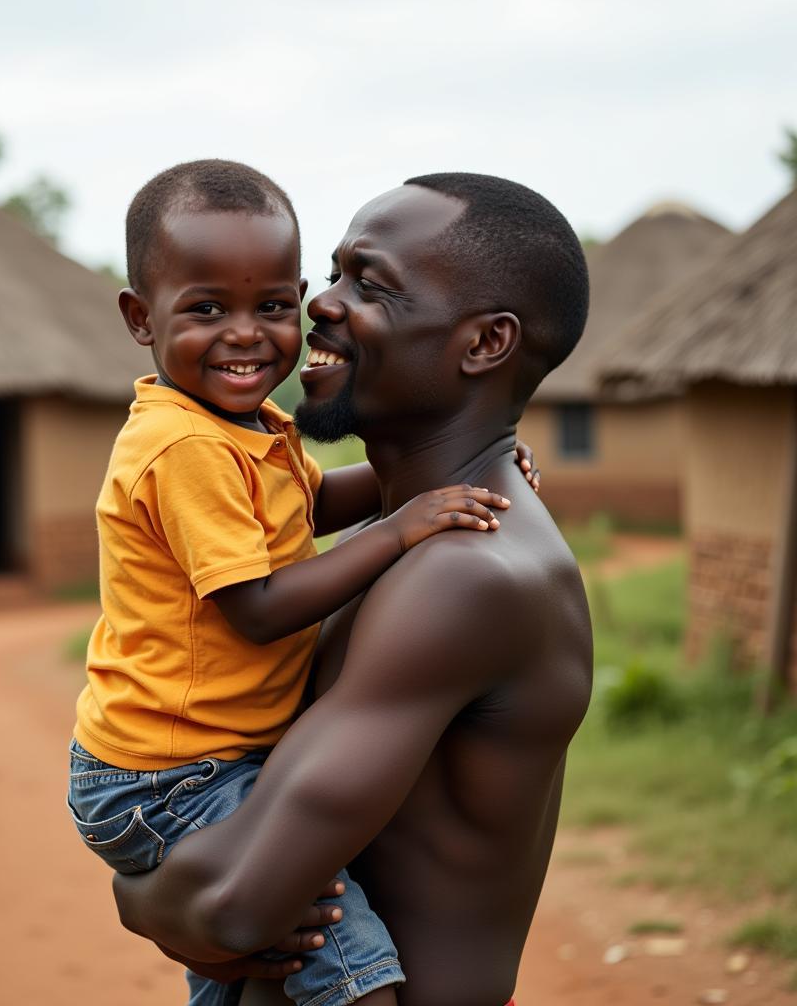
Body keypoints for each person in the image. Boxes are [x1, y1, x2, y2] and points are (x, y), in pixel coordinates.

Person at [112, 173, 594, 1006]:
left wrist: (136, 898)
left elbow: (231, 908)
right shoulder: (413, 535)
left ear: (483, 345)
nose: (321, 308)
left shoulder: (460, 573)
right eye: (331, 276)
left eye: (368, 284)